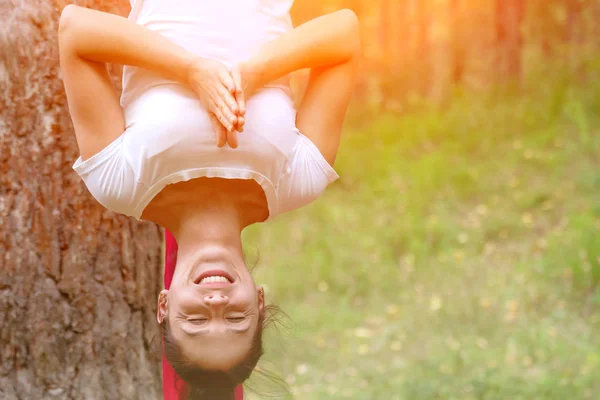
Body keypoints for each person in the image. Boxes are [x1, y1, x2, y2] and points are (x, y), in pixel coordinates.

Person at [58, 0, 360, 398]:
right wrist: (254, 74)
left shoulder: (119, 183)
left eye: (195, 319)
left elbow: (76, 30)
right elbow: (344, 34)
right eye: (236, 317)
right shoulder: (297, 180)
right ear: (260, 300)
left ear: (164, 306)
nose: (215, 300)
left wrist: (192, 70)